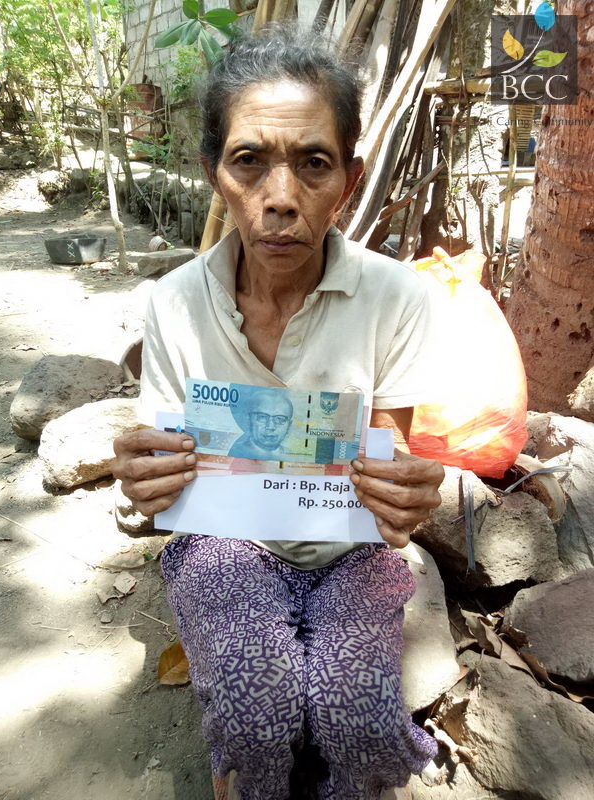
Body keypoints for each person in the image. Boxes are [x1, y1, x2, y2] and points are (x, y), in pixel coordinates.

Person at [113, 26, 444, 800]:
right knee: (257, 708)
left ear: (350, 183)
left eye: (314, 164)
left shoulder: (397, 299)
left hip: (350, 551)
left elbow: (389, 461)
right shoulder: (173, 304)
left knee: (356, 717)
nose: (282, 198)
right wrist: (145, 474)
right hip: (224, 547)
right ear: (213, 174)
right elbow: (165, 462)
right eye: (249, 160)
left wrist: (407, 495)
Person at [228, 388, 294, 459]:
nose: (270, 427)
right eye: (262, 417)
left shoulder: (292, 456)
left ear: (289, 425)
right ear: (248, 420)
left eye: (279, 419)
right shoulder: (234, 451)